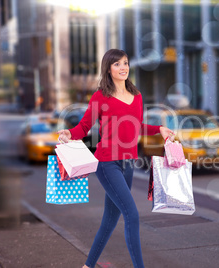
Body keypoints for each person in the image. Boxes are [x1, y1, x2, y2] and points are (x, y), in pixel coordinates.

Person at [58, 49, 174, 268]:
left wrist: (160, 129)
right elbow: (84, 126)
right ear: (108, 68)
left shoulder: (137, 96)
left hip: (127, 164)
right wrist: (69, 133)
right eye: (117, 64)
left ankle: (87, 266)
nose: (123, 68)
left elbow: (137, 126)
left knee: (109, 221)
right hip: (107, 164)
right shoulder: (100, 96)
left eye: (125, 63)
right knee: (132, 214)